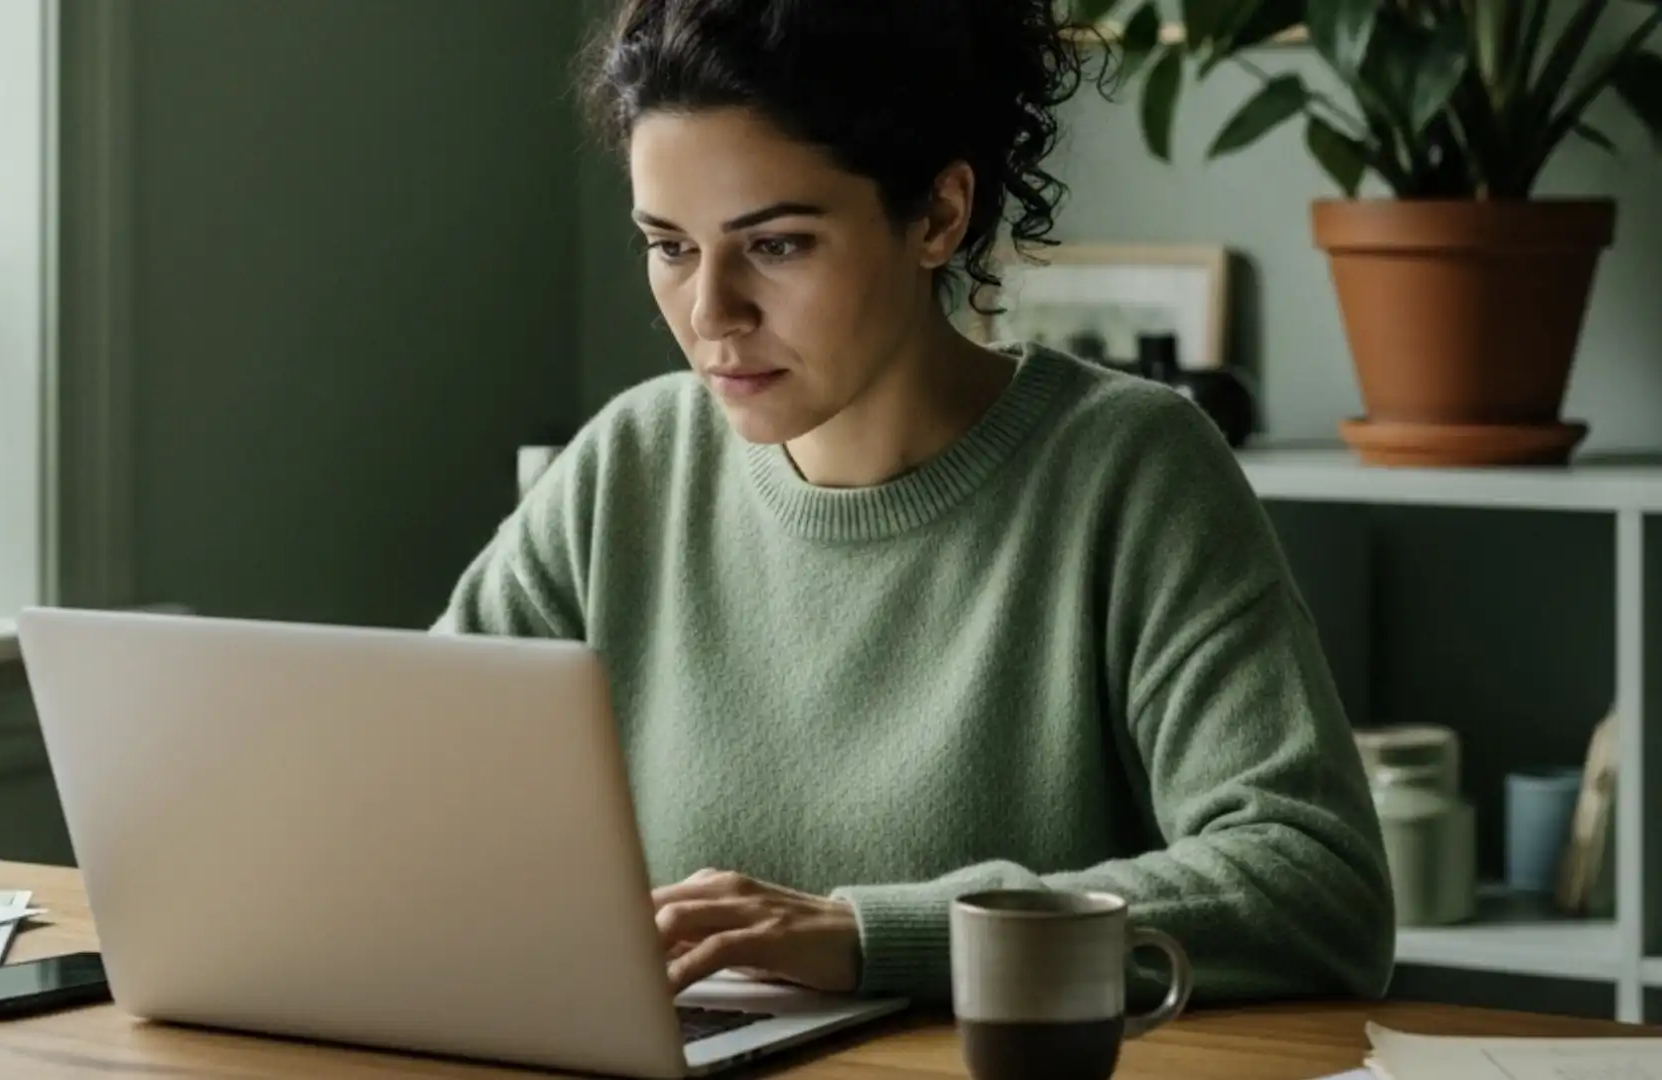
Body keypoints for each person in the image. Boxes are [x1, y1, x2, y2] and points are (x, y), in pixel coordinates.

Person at [433, 0, 1396, 1008]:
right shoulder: (628, 467)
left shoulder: (1129, 469)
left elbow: (1314, 886)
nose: (710, 312)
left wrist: (866, 935)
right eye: (670, 247)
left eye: (778, 245)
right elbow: (399, 796)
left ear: (938, 215)